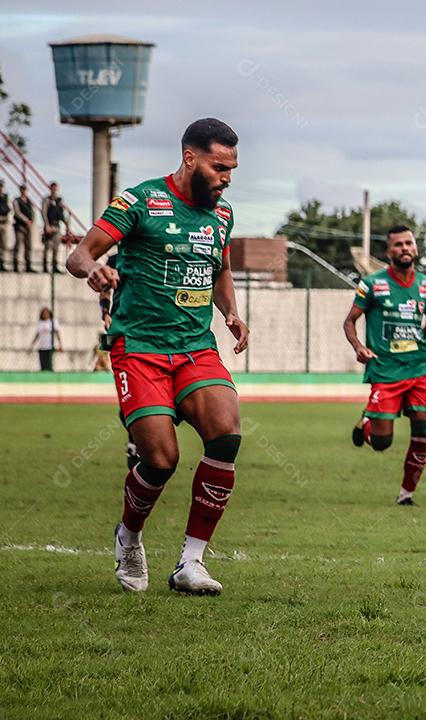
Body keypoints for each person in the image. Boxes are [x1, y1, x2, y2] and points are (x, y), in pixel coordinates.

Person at [66, 118, 249, 595]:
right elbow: (79, 255)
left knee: (226, 433)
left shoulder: (223, 215)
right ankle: (128, 536)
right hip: (140, 350)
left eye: (232, 168)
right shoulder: (142, 200)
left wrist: (230, 311)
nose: (226, 177)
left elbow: (220, 268)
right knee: (161, 459)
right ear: (190, 158)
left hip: (195, 349)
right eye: (219, 166)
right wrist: (94, 271)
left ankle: (191, 563)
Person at [343, 226, 426, 505]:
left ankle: (406, 494)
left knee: (422, 428)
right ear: (389, 252)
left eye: (409, 243)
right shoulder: (371, 284)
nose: (405, 248)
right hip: (385, 369)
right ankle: (368, 420)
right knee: (382, 444)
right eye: (398, 245)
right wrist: (359, 347)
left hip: (420, 366)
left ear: (416, 249)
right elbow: (349, 321)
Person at [100, 252, 141, 469]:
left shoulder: (154, 248)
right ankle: (135, 442)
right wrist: (105, 313)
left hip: (154, 333)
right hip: (123, 333)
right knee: (130, 396)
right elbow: (105, 289)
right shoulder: (115, 260)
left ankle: (145, 441)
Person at [41, 182, 69, 273]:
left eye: (56, 188)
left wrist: (66, 224)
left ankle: (55, 266)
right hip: (49, 225)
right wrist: (47, 225)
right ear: (50, 189)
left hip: (57, 226)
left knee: (56, 248)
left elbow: (62, 214)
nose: (54, 190)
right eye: (53, 188)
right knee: (48, 247)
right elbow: (44, 213)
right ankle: (45, 266)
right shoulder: (46, 200)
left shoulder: (59, 200)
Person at [12, 185, 34, 273]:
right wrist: (26, 221)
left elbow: (32, 212)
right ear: (20, 190)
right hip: (20, 226)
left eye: (25, 190)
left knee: (28, 246)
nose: (24, 191)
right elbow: (17, 213)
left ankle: (28, 265)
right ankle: (15, 265)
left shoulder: (29, 201)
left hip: (28, 227)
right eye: (22, 190)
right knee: (18, 245)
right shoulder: (16, 200)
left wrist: (31, 221)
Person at [0, 179, 11, 272]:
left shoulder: (5, 197)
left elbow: (9, 210)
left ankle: (2, 263)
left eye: (1, 186)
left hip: (3, 223)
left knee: (3, 244)